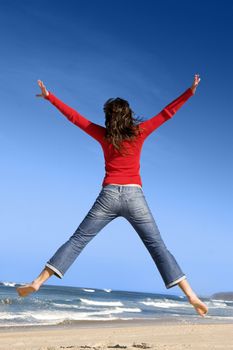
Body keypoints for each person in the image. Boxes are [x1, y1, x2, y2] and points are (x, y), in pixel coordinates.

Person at [16, 74, 208, 317]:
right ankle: (191, 295)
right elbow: (166, 113)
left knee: (78, 240)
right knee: (158, 247)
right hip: (134, 197)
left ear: (109, 118)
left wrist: (50, 97)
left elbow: (75, 118)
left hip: (108, 196)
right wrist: (189, 92)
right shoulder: (140, 132)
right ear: (128, 116)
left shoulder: (103, 135)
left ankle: (38, 281)